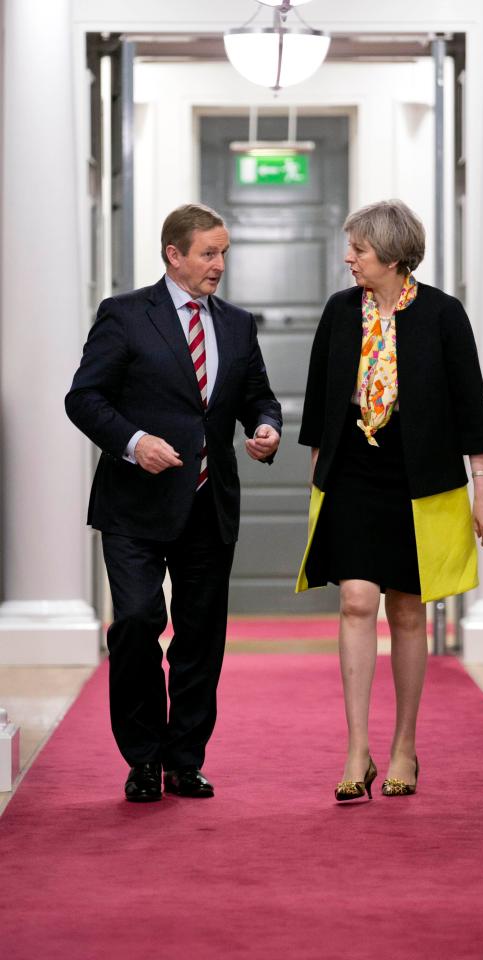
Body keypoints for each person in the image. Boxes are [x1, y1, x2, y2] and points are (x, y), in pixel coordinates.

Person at [66, 203, 282, 802]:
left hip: (209, 505)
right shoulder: (126, 315)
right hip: (135, 506)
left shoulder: (237, 324)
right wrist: (134, 443)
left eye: (224, 253)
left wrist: (266, 428)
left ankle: (184, 760)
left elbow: (258, 397)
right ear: (174, 254)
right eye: (209, 253)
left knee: (200, 639)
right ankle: (142, 759)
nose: (220, 265)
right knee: (137, 622)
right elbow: (84, 398)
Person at [296, 199, 483, 801]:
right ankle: (356, 748)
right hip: (354, 471)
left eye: (359, 249)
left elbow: (471, 405)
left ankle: (404, 746)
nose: (349, 258)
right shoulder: (340, 311)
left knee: (408, 610)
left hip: (421, 477)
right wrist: (319, 473)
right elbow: (318, 395)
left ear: (391, 253)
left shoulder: (442, 314)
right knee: (357, 598)